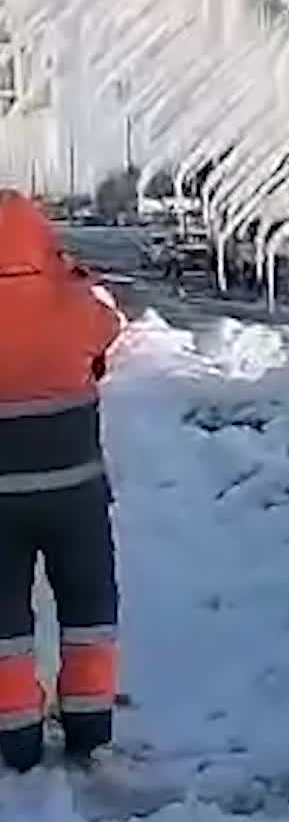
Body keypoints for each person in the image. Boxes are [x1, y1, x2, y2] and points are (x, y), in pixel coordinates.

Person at [0, 190, 124, 772]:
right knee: (88, 611)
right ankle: (89, 730)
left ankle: (15, 738)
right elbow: (110, 327)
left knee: (4, 625)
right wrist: (69, 276)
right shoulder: (72, 303)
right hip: (75, 496)